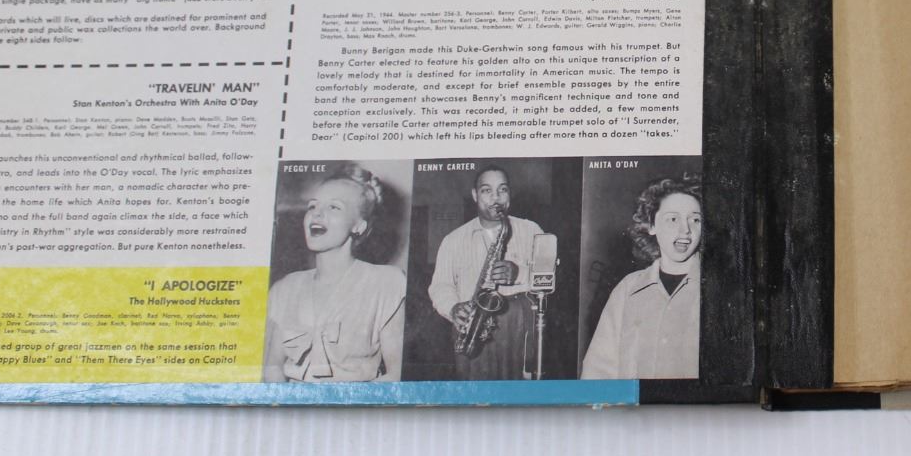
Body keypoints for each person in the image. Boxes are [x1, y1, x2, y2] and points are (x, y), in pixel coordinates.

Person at [262, 164, 406, 383]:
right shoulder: (286, 288)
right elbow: (273, 368)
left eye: (334, 207)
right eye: (312, 206)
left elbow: (396, 375)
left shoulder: (386, 283)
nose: (317, 213)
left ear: (359, 226)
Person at [427, 165, 551, 380]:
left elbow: (550, 279)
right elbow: (440, 286)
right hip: (472, 327)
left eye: (502, 189)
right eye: (487, 190)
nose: (496, 198)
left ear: (509, 194)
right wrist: (453, 308)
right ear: (475, 195)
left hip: (520, 325)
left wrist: (519, 274)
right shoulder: (453, 240)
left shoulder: (532, 230)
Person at [580, 175, 702, 380]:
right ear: (651, 226)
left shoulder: (719, 290)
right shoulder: (627, 290)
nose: (686, 230)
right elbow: (598, 371)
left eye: (695, 219)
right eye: (673, 219)